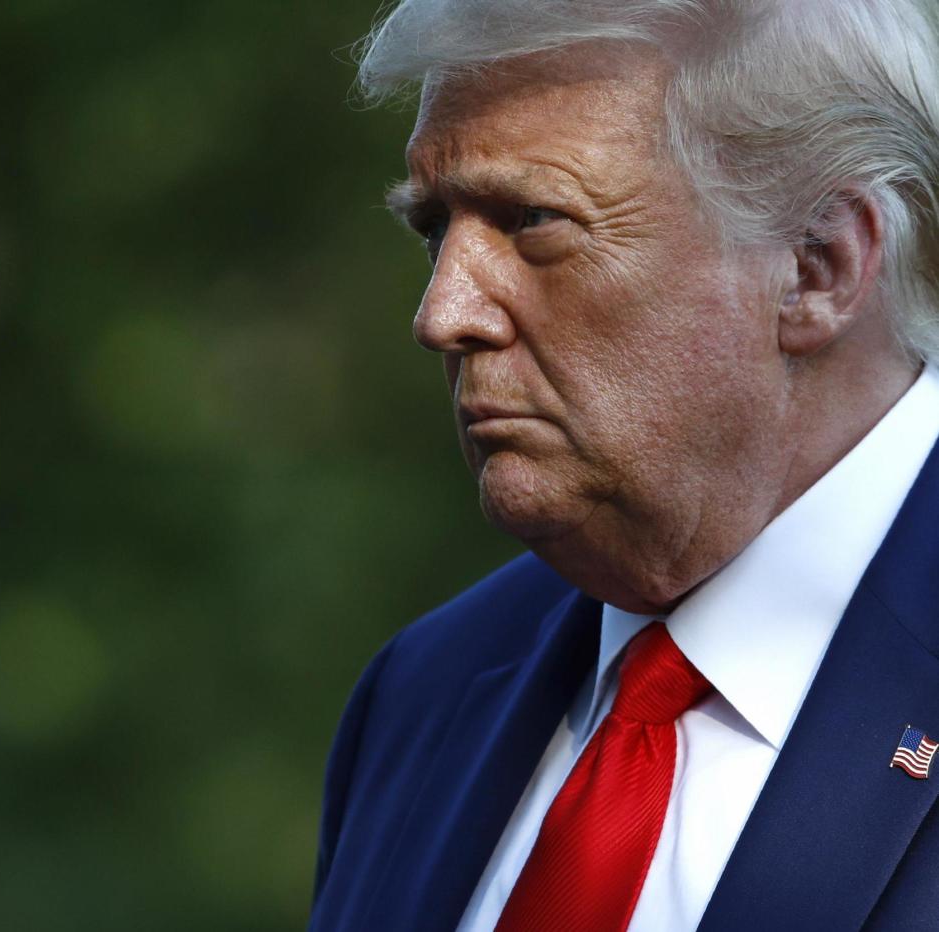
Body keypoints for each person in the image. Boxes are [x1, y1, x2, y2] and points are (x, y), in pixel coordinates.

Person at [309, 1, 939, 930]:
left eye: (533, 220)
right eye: (435, 230)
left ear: (817, 266)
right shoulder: (422, 693)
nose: (443, 313)